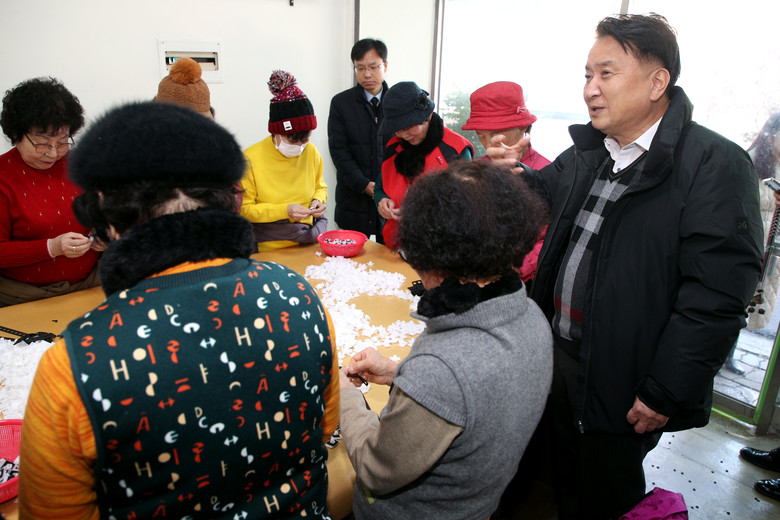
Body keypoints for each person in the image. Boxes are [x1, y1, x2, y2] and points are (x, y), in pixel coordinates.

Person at [489, 14, 763, 518]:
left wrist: (665, 390)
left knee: (603, 491)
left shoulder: (713, 164)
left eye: (606, 74)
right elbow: (544, 194)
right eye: (587, 74)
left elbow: (716, 298)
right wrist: (512, 175)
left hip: (623, 374)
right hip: (558, 352)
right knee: (549, 478)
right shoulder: (593, 150)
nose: (590, 89)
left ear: (657, 82)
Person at [18, 102, 340, 519]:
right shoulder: (301, 298)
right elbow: (326, 428)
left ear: (108, 218)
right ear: (230, 198)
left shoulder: (76, 364)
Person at [339, 160, 552, 520]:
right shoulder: (532, 316)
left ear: (432, 255)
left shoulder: (441, 368)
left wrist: (345, 398)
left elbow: (377, 469)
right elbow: (477, 393)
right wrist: (398, 373)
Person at [0, 77, 101, 306]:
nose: (53, 153)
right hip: (24, 295)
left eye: (63, 142)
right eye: (42, 143)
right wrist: (51, 248)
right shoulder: (3, 177)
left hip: (90, 283)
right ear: (16, 134)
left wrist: (104, 236)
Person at [463, 80, 551, 283]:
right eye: (481, 136)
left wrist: (516, 267)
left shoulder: (547, 172)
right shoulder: (478, 168)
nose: (489, 144)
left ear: (523, 127)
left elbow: (552, 238)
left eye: (495, 134)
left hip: (522, 281)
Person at [374, 81, 473, 249]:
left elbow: (465, 207)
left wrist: (418, 214)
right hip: (395, 247)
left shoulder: (455, 151)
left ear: (427, 116)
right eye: (398, 129)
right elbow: (379, 188)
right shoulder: (393, 148)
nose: (404, 135)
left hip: (438, 250)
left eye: (409, 126)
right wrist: (382, 201)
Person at [240, 70, 328, 252]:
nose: (299, 146)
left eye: (304, 140)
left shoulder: (311, 152)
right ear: (276, 132)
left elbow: (320, 187)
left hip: (308, 242)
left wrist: (317, 201)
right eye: (292, 140)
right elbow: (245, 209)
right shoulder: (249, 159)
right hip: (268, 248)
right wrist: (284, 210)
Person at [724, 113, 780, 374]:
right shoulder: (753, 159)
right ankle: (719, 354)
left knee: (751, 304)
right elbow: (738, 202)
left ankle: (728, 356)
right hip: (748, 243)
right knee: (734, 300)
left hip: (770, 247)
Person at [328, 38, 391, 243]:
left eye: (373, 67)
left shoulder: (396, 103)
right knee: (351, 257)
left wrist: (386, 187)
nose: (367, 74)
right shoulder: (341, 103)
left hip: (390, 199)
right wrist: (364, 184)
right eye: (360, 68)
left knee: (389, 257)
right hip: (352, 198)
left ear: (385, 66)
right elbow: (339, 151)